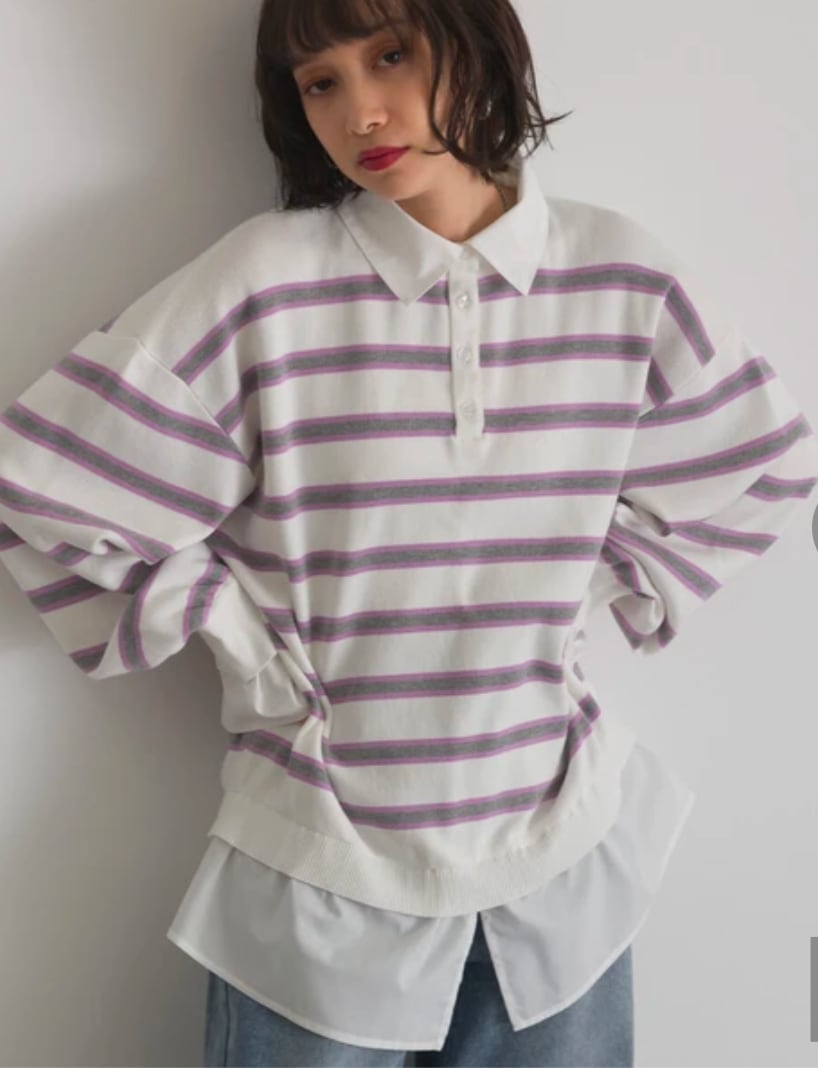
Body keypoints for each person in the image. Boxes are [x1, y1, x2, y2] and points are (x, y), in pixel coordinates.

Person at [0, 1, 816, 1065]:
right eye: (320, 83)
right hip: (318, 876)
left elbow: (763, 466)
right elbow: (47, 489)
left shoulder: (621, 277)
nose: (361, 112)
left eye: (391, 55)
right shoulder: (268, 283)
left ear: (476, 40)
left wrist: (593, 589)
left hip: (559, 868)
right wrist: (239, 636)